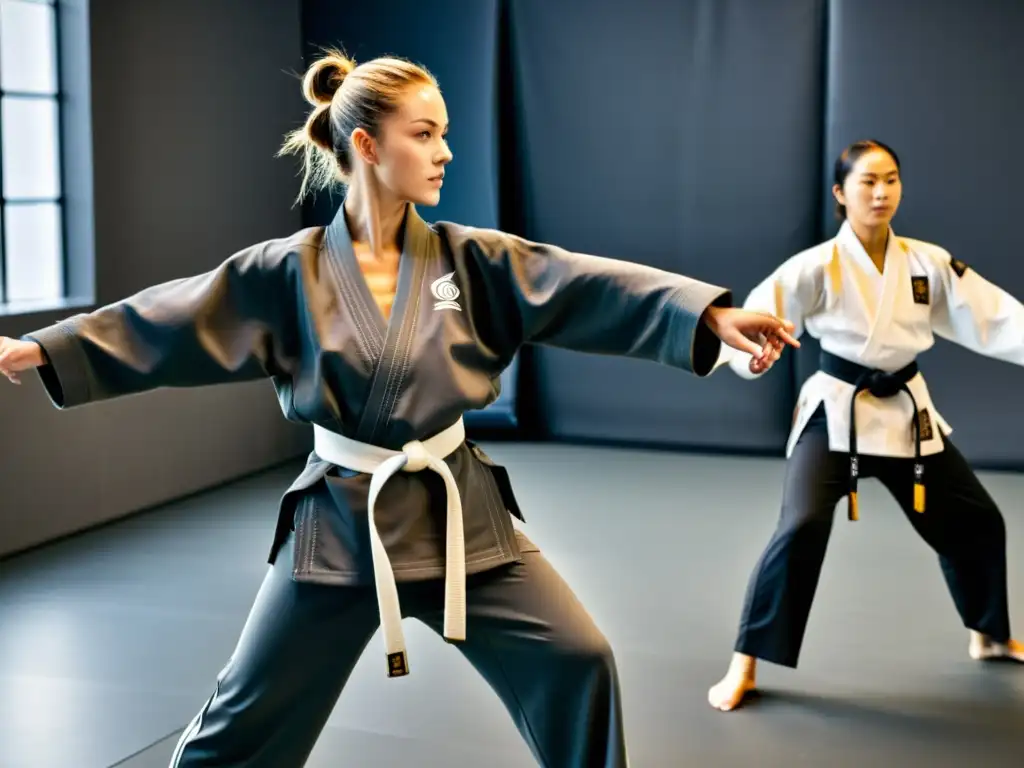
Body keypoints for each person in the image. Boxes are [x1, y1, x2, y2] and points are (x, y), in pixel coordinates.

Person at [0, 49, 797, 766]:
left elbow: (583, 286)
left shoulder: (469, 260)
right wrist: (45, 347)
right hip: (342, 529)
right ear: (368, 147)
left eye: (445, 131)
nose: (446, 150)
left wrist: (708, 317)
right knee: (241, 725)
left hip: (462, 519)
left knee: (578, 660)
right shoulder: (290, 272)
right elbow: (175, 314)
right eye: (425, 133)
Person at [707, 139, 1024, 713]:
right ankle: (744, 662)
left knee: (976, 520)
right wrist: (748, 354)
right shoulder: (816, 266)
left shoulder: (927, 262)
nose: (881, 193)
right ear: (840, 193)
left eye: (892, 180)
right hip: (837, 411)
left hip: (906, 412)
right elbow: (759, 316)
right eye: (867, 182)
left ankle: (990, 634)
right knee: (800, 525)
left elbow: (995, 315)